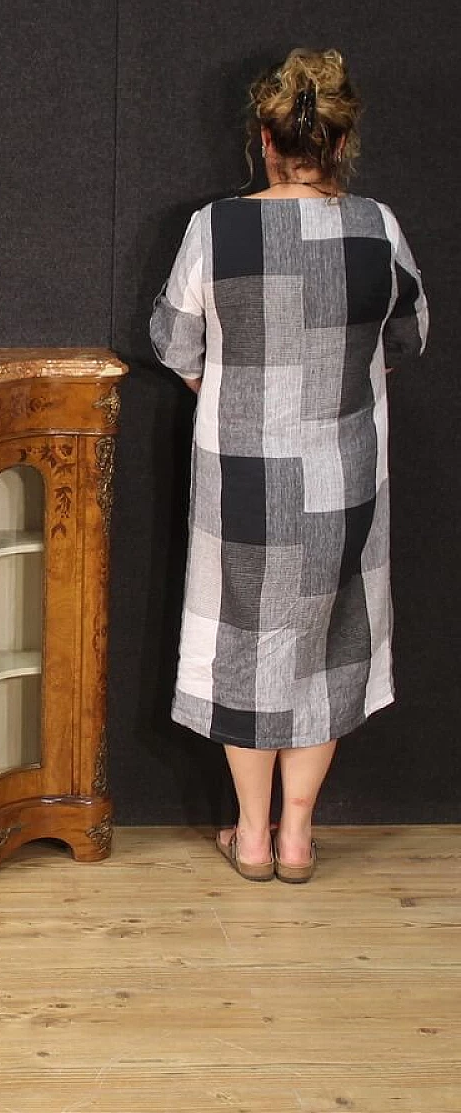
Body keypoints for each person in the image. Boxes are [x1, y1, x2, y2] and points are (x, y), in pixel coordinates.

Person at [150, 48, 428, 883]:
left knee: (244, 641)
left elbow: (176, 343)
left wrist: (241, 385)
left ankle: (254, 833)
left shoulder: (216, 228)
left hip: (241, 476)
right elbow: (404, 341)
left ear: (263, 136)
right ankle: (301, 835)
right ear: (341, 142)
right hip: (343, 472)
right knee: (332, 643)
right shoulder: (379, 227)